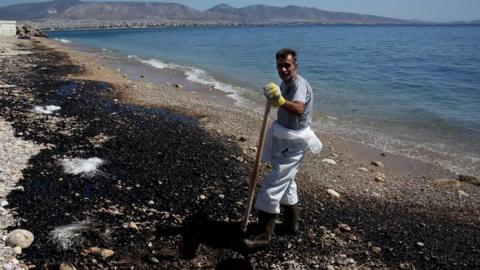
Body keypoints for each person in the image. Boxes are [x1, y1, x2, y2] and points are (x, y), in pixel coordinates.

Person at [245, 48, 322, 248]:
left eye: (287, 65)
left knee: (272, 186)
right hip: (285, 140)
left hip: (294, 144)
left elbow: (298, 108)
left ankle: (263, 236)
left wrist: (279, 101)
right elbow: (284, 104)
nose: (283, 69)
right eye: (280, 65)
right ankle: (290, 225)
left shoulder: (298, 84)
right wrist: (275, 100)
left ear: (295, 65)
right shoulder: (285, 83)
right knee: (287, 185)